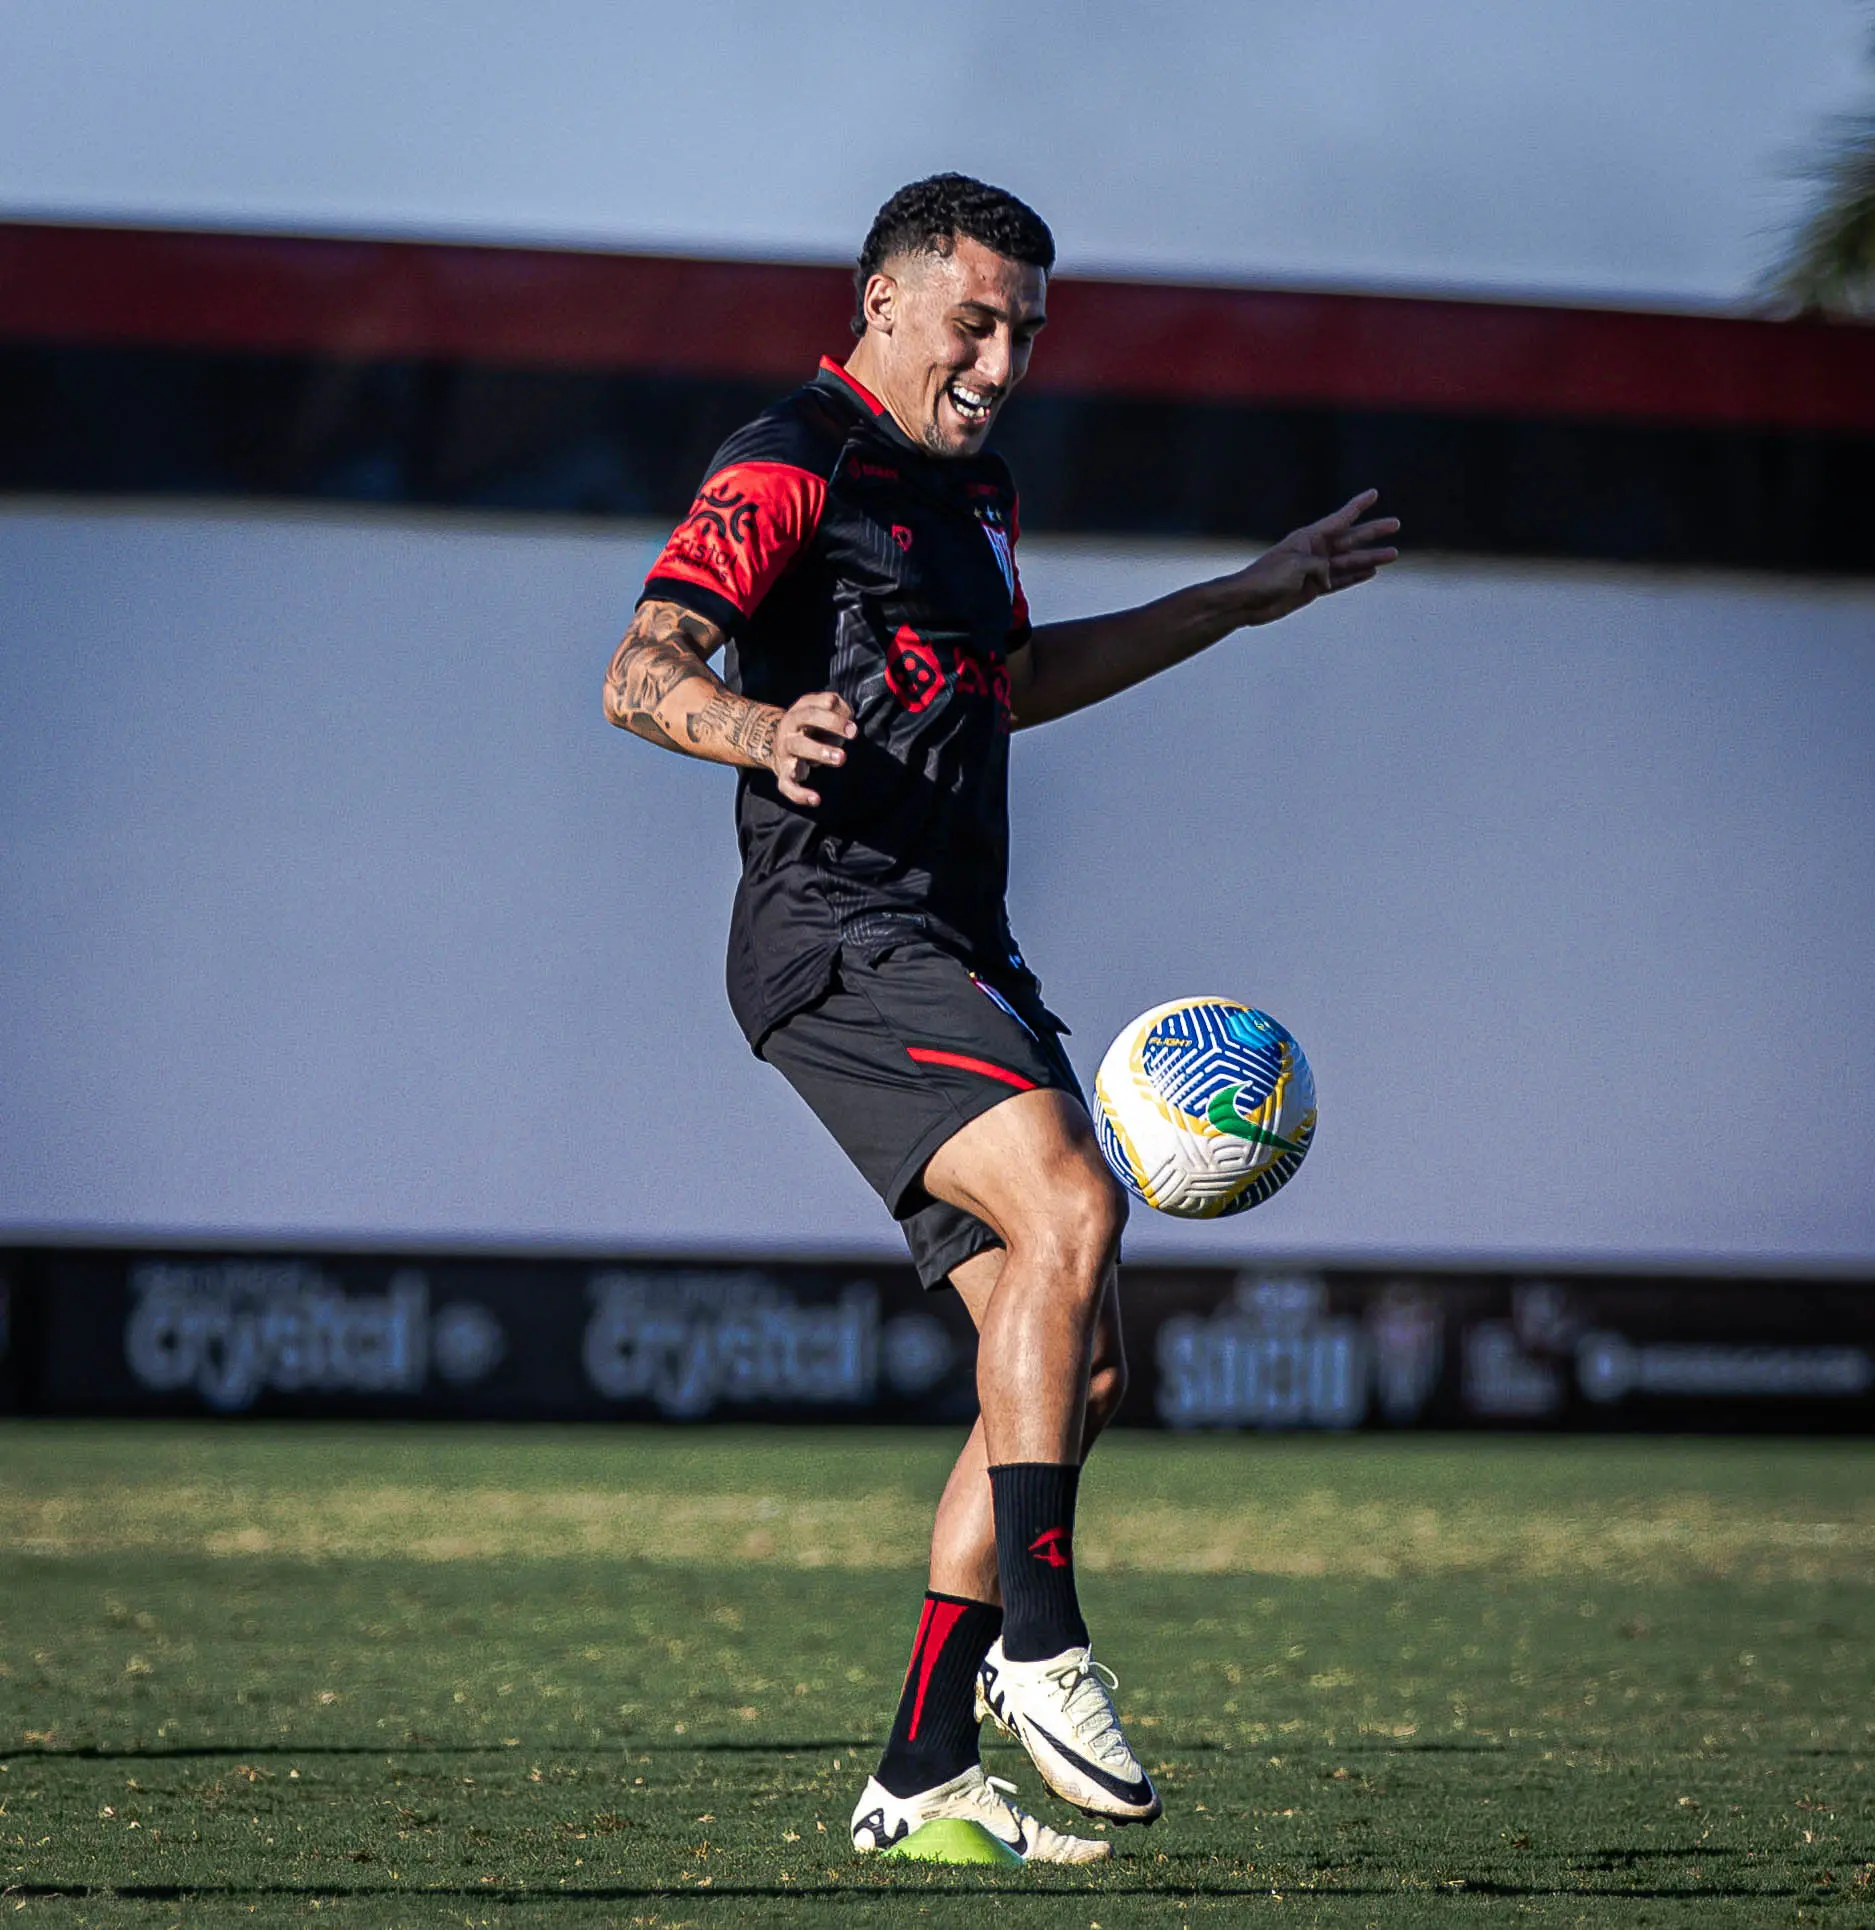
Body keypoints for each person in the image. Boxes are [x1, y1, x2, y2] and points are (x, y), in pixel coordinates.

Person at [603, 173, 1399, 1863]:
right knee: (1075, 1201)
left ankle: (919, 1764)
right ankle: (1042, 1643)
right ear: (881, 303)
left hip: (956, 940)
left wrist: (1243, 596)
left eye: (1024, 329)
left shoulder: (975, 490)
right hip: (836, 929)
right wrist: (756, 734)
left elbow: (1011, 688)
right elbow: (640, 665)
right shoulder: (789, 459)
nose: (999, 358)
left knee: (1076, 1359)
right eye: (972, 320)